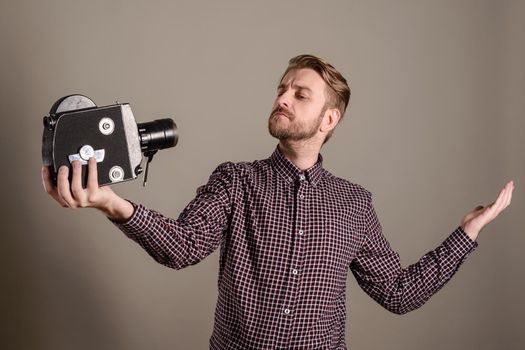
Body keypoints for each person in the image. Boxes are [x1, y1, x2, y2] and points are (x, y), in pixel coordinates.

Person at [42, 55, 514, 349]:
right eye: (281, 89)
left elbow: (397, 293)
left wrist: (467, 233)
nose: (283, 98)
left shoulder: (354, 205)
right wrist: (111, 202)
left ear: (329, 118)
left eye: (299, 93)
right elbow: (182, 247)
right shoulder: (235, 180)